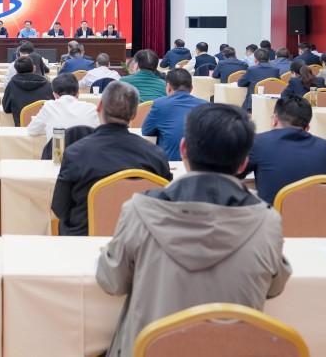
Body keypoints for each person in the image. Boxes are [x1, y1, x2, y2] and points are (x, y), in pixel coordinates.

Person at [96, 102, 291, 357]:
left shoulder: (139, 211)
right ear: (244, 163)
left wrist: (109, 253)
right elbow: (274, 288)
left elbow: (112, 282)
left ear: (183, 149)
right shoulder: (267, 222)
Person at [52, 82, 172, 236]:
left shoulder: (75, 153)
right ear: (134, 115)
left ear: (99, 106)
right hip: (139, 240)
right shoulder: (156, 155)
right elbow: (165, 206)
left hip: (85, 239)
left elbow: (60, 209)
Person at [242, 95, 326, 205]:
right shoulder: (323, 146)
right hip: (315, 213)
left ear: (275, 120)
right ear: (307, 128)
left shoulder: (259, 142)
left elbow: (238, 172)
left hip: (273, 214)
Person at [142, 68, 209, 160]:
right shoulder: (206, 105)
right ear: (191, 89)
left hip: (171, 163)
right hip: (200, 162)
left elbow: (146, 131)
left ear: (168, 87)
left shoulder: (160, 104)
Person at [27, 72, 100, 140]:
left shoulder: (49, 107)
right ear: (78, 93)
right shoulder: (92, 108)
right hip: (86, 149)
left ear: (55, 95)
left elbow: (32, 130)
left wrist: (48, 127)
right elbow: (100, 133)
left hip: (57, 149)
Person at [2, 56, 54, 126]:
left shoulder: (12, 85)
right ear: (34, 68)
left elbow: (6, 108)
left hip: (21, 128)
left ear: (16, 71)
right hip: (45, 128)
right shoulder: (48, 85)